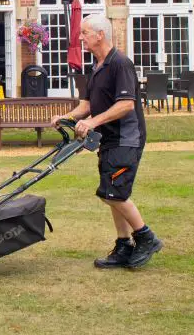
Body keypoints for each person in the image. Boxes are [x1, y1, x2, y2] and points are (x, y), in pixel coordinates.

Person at [51, 14, 162, 269]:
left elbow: (125, 105)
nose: (81, 37)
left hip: (126, 138)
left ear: (100, 35)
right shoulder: (98, 66)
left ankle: (146, 238)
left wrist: (92, 122)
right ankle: (123, 245)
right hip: (109, 138)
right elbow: (87, 105)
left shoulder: (120, 63)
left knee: (114, 193)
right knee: (111, 192)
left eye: (85, 33)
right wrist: (65, 118)